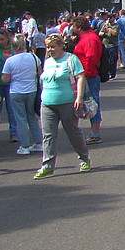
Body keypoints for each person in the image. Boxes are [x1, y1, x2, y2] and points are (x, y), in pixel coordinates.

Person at [33, 32, 90, 180]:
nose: (49, 50)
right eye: (47, 47)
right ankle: (47, 166)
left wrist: (79, 98)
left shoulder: (71, 59)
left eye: (52, 47)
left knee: (72, 132)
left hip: (67, 102)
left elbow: (80, 77)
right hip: (47, 103)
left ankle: (84, 158)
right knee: (48, 135)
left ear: (60, 46)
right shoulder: (47, 61)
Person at [2, 35, 42, 156]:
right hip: (31, 90)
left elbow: (5, 79)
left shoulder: (10, 61)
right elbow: (39, 72)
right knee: (32, 116)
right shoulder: (33, 57)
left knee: (20, 119)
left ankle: (24, 145)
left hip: (16, 90)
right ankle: (38, 142)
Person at [70, 15, 103, 143]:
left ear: (78, 27)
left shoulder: (89, 38)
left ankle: (95, 133)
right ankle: (94, 132)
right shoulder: (86, 37)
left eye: (73, 26)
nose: (72, 29)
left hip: (88, 75)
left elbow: (91, 57)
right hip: (85, 75)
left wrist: (85, 74)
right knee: (90, 103)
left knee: (92, 103)